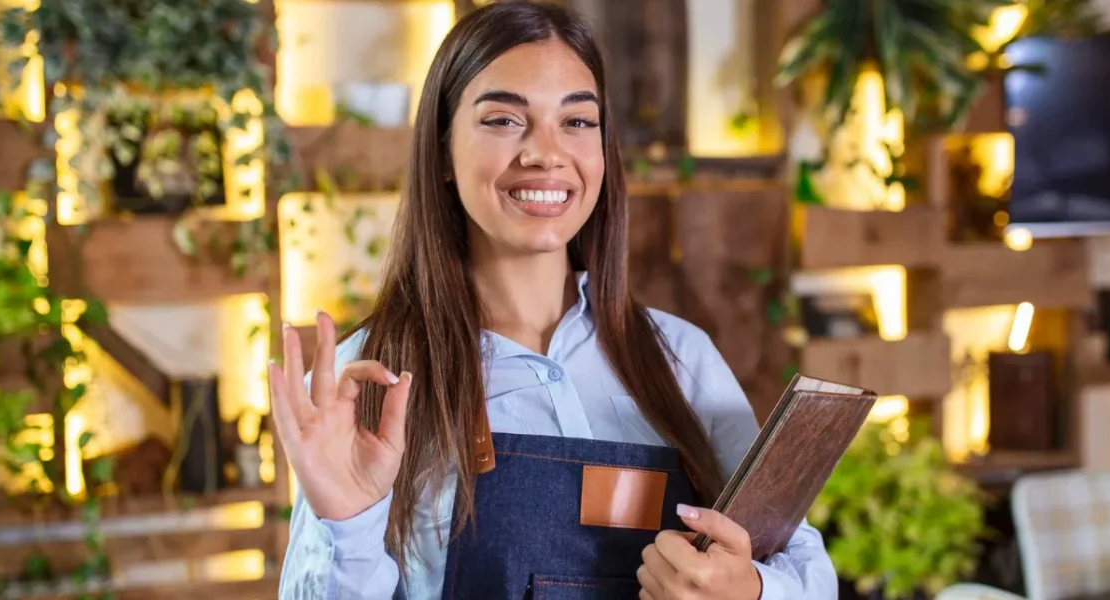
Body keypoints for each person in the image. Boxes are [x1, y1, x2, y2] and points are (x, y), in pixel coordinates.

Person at [270, 1, 837, 598]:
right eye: (503, 120)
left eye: (577, 121)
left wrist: (749, 589)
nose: (545, 152)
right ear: (442, 153)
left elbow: (803, 567)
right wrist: (347, 526)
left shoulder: (680, 358)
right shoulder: (371, 378)